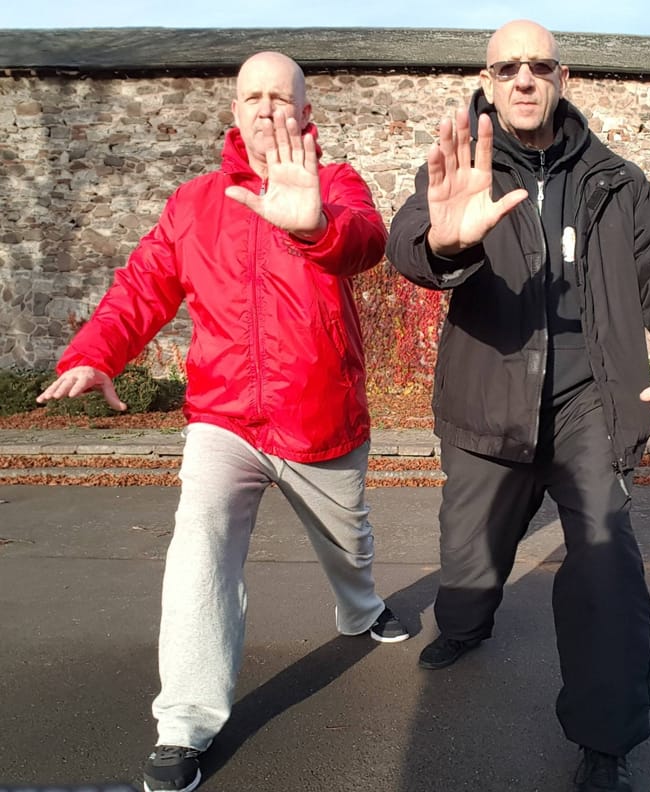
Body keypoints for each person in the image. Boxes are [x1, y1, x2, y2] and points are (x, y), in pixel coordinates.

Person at [37, 51, 408, 792]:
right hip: (225, 418)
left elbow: (368, 241)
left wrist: (315, 227)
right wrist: (97, 351)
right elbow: (142, 285)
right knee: (199, 547)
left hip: (320, 418)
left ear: (306, 115)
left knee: (350, 542)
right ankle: (183, 725)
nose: (267, 107)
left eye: (282, 97)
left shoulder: (336, 186)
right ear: (235, 112)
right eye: (253, 96)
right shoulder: (193, 203)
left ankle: (360, 607)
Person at [386, 19, 650, 792]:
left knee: (606, 568)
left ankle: (605, 743)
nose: (522, 78)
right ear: (487, 79)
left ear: (561, 76)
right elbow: (414, 235)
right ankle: (466, 624)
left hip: (593, 405)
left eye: (537, 65)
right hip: (487, 399)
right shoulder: (461, 167)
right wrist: (445, 242)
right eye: (506, 65)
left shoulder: (616, 180)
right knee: (469, 553)